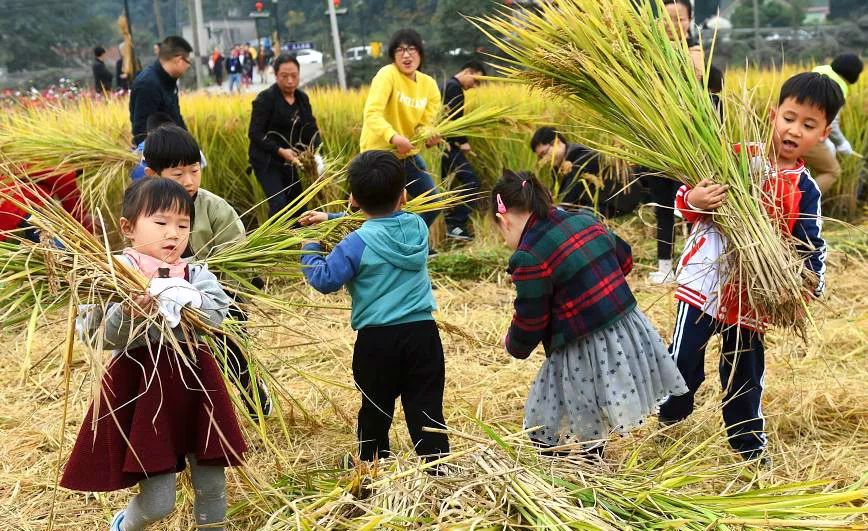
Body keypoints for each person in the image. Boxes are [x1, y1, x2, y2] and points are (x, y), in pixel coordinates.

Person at [657, 72, 842, 463]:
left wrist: (806, 290)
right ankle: (671, 412)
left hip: (755, 295)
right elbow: (683, 202)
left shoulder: (804, 187)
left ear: (823, 134)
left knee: (744, 373)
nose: (794, 131)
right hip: (704, 282)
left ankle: (748, 448)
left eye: (808, 126)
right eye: (789, 118)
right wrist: (694, 198)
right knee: (682, 359)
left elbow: (811, 245)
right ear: (773, 114)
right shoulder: (736, 157)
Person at [60, 177, 246, 531]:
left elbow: (218, 313)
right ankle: (125, 525)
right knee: (160, 500)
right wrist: (129, 312)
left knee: (212, 486)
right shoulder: (110, 274)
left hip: (195, 381)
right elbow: (93, 333)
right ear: (128, 228)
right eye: (161, 223)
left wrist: (188, 297)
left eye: (183, 225)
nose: (173, 234)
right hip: (143, 388)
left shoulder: (194, 272)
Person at [493, 170, 686, 455]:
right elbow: (625, 257)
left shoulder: (529, 256)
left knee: (545, 418)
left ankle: (566, 469)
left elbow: (531, 318)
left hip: (580, 343)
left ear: (503, 219)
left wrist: (513, 345)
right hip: (625, 329)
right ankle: (588, 459)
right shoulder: (582, 219)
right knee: (592, 403)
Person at [299, 150, 449, 463]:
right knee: (427, 408)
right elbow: (378, 222)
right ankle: (437, 469)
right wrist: (330, 220)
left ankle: (372, 466)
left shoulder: (356, 243)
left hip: (377, 343)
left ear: (353, 198)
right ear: (405, 196)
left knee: (376, 409)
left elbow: (325, 279)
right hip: (423, 336)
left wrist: (310, 246)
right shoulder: (418, 228)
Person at [142, 124, 272, 416]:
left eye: (194, 170)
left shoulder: (215, 208)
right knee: (187, 364)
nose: (188, 180)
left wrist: (219, 288)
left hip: (220, 300)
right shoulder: (143, 212)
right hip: (169, 305)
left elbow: (237, 253)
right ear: (152, 175)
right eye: (177, 174)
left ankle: (252, 393)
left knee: (232, 353)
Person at [359, 29, 442, 228]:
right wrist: (394, 137)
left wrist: (429, 135)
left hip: (407, 154)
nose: (406, 55)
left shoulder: (429, 86)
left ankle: (411, 243)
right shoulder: (387, 75)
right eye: (400, 50)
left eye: (412, 49)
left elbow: (424, 124)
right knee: (381, 210)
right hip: (378, 156)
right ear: (393, 56)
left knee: (432, 203)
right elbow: (372, 113)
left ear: (420, 53)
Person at [248, 54, 322, 216]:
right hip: (266, 160)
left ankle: (300, 239)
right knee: (279, 204)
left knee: (298, 204)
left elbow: (311, 128)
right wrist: (280, 151)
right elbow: (254, 133)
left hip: (291, 161)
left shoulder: (302, 99)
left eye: (294, 76)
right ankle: (274, 239)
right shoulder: (265, 99)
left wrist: (316, 155)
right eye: (284, 76)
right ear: (275, 76)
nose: (290, 80)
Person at [530, 127, 642, 217]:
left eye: (544, 153)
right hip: (598, 205)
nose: (544, 160)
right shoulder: (558, 168)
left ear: (556, 142)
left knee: (581, 218)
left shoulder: (582, 155)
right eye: (540, 157)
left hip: (619, 202)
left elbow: (570, 194)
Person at [804, 53, 864, 193]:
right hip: (808, 133)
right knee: (832, 171)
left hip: (787, 126)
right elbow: (832, 122)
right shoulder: (838, 87)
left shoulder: (819, 71)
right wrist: (841, 143)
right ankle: (803, 206)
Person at [440, 61, 486, 242]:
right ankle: (455, 223)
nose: (474, 86)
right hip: (447, 148)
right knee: (472, 182)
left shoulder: (446, 85)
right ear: (468, 71)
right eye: (475, 80)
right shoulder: (454, 88)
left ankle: (449, 223)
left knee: (444, 187)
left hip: (442, 147)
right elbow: (454, 120)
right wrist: (463, 142)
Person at [129, 36, 193, 145]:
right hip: (158, 155)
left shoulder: (169, 80)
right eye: (188, 62)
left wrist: (189, 145)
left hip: (173, 149)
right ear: (179, 60)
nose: (188, 66)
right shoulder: (148, 84)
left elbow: (175, 117)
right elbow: (142, 131)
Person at [0, 167, 92, 243]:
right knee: (55, 246)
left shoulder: (41, 158)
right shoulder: (64, 172)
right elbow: (75, 209)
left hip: (9, 199)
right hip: (17, 205)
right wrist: (90, 236)